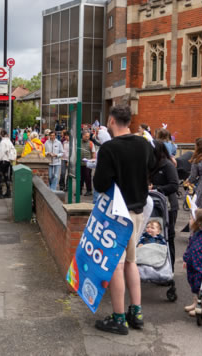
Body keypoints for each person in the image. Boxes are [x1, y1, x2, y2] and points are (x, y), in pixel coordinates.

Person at [93, 104, 156, 335]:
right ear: (129, 121)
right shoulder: (143, 144)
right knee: (131, 262)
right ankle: (136, 312)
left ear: (111, 121)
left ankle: (119, 318)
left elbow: (100, 184)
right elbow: (152, 167)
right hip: (138, 212)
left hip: (117, 213)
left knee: (116, 266)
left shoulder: (109, 148)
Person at [150, 140, 179, 269]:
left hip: (168, 206)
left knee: (168, 236)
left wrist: (156, 188)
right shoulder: (150, 165)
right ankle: (157, 267)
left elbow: (174, 185)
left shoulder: (167, 165)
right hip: (154, 205)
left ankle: (169, 269)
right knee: (155, 235)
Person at [0, 129, 17, 199]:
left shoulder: (3, 142)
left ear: (1, 135)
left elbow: (1, 153)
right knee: (6, 177)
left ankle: (0, 193)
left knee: (0, 177)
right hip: (8, 161)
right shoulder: (9, 141)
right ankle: (8, 192)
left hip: (3, 161)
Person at [80, 130, 96, 196]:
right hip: (80, 163)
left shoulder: (91, 143)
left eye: (88, 136)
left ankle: (89, 190)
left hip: (88, 163)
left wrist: (92, 161)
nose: (87, 138)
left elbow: (93, 153)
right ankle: (79, 190)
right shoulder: (78, 142)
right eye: (86, 136)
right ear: (83, 136)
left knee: (87, 177)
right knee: (80, 177)